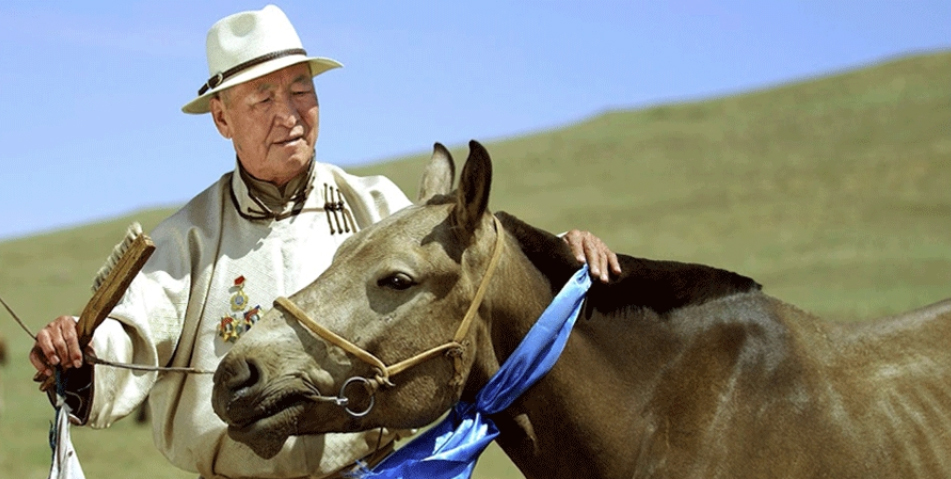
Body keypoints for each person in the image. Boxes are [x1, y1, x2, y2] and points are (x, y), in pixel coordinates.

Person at [29, 5, 621, 479]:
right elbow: (124, 337)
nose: (288, 113)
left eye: (300, 89)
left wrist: (555, 258)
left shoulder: (377, 207)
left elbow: (468, 276)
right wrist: (75, 357)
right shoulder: (187, 240)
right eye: (262, 98)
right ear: (221, 118)